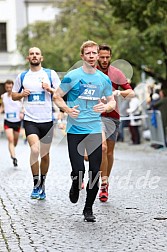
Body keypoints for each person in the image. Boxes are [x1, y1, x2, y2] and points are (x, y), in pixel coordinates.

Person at [53, 40, 116, 222]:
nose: (91, 57)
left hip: (94, 129)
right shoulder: (72, 76)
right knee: (78, 170)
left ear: (97, 55)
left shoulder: (103, 79)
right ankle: (75, 184)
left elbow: (112, 101)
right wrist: (67, 109)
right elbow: (57, 96)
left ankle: (88, 208)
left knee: (95, 172)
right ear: (82, 56)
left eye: (94, 53)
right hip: (75, 130)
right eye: (88, 54)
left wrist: (105, 107)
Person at [12, 47, 61, 200]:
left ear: (42, 57)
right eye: (32, 54)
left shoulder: (50, 74)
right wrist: (21, 94)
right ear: (28, 58)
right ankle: (35, 183)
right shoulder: (22, 76)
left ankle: (43, 184)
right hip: (30, 120)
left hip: (47, 120)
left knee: (45, 156)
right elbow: (14, 95)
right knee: (34, 150)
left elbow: (61, 93)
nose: (34, 56)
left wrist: (50, 89)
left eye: (37, 54)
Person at [97, 44, 135, 202]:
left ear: (110, 57)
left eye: (107, 57)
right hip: (96, 116)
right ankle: (101, 180)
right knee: (103, 148)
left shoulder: (116, 73)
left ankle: (104, 185)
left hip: (113, 116)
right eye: (102, 57)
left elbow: (131, 92)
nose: (104, 60)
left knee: (110, 152)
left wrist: (119, 92)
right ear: (97, 56)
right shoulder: (92, 72)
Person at [0, 79, 23, 167]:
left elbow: (23, 106)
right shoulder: (3, 96)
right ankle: (13, 157)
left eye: (10, 87)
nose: (9, 89)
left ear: (13, 87)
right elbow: (2, 107)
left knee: (15, 141)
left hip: (17, 121)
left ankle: (12, 149)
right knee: (10, 139)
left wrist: (22, 112)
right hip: (8, 121)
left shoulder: (18, 96)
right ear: (5, 87)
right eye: (7, 87)